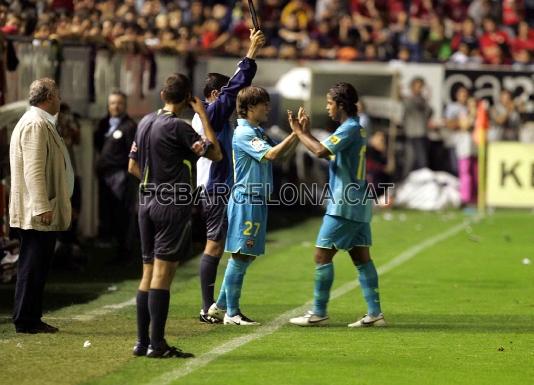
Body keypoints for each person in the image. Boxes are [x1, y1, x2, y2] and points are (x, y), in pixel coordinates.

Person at [128, 73, 222, 358]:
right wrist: (203, 115)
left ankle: (142, 342)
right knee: (163, 273)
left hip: (145, 201)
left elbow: (132, 166)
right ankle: (158, 344)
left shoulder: (144, 122)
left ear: (162, 95)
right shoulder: (179, 127)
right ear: (186, 100)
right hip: (171, 205)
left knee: (147, 273)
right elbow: (215, 153)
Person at [287, 82, 385, 327]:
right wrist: (306, 134)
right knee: (362, 258)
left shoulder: (350, 128)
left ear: (341, 104)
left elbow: (320, 151)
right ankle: (375, 313)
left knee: (322, 255)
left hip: (344, 203)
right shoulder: (356, 129)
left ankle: (318, 311)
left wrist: (299, 133)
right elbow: (330, 153)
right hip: (359, 201)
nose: (327, 107)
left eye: (330, 103)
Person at [207, 86, 299, 325]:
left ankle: (221, 306)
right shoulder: (244, 134)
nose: (268, 107)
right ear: (248, 108)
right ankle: (232, 314)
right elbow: (271, 155)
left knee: (246, 256)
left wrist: (297, 135)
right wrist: (295, 134)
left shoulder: (258, 131)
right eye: (263, 104)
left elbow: (281, 155)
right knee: (240, 255)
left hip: (256, 200)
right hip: (246, 199)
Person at [193, 29, 265, 324]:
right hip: (217, 188)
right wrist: (251, 51)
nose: (232, 102)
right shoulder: (212, 113)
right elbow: (235, 88)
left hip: (216, 187)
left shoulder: (208, 116)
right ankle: (210, 306)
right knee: (216, 245)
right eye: (225, 95)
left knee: (224, 246)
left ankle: (221, 307)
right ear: (214, 95)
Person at [9, 78, 74, 333]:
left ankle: (30, 317)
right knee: (32, 265)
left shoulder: (38, 122)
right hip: (37, 211)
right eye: (57, 94)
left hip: (39, 208)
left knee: (36, 265)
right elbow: (34, 170)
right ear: (48, 97)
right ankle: (26, 319)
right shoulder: (36, 124)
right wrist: (41, 206)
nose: (59, 99)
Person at [94, 90, 137, 261]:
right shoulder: (103, 124)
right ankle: (109, 245)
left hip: (121, 174)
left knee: (123, 213)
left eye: (119, 103)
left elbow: (132, 152)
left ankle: (124, 250)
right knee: (108, 211)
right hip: (105, 174)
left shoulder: (129, 126)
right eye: (112, 103)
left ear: (125, 105)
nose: (115, 106)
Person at [402, 77, 433, 178]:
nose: (420, 89)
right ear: (412, 87)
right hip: (412, 134)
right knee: (410, 162)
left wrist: (428, 100)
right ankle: (404, 184)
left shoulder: (423, 100)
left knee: (422, 162)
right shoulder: (409, 99)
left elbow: (429, 113)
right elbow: (412, 106)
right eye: (418, 86)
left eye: (421, 86)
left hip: (421, 134)